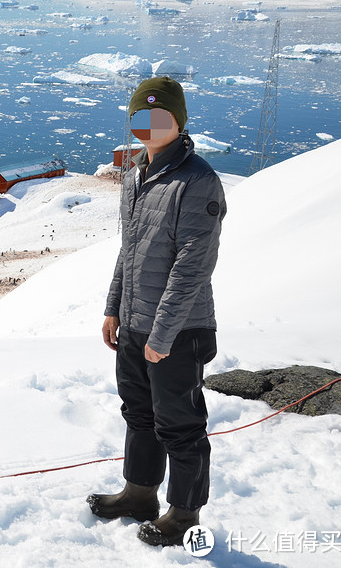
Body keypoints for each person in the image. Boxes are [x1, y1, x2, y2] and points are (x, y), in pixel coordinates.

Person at [87, 76, 227, 547]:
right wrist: (113, 309)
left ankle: (185, 513)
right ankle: (139, 493)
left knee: (180, 426)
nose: (147, 126)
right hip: (135, 324)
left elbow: (193, 265)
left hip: (179, 331)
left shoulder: (198, 179)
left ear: (178, 121)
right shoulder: (135, 175)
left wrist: (162, 335)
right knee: (139, 415)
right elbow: (129, 251)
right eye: (139, 117)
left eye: (159, 117)